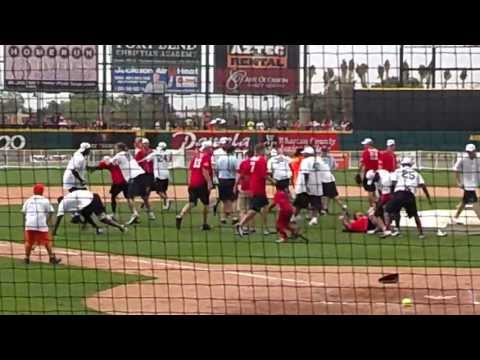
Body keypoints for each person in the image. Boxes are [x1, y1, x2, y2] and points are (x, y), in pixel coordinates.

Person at [383, 157, 439, 239]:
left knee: (388, 210)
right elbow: (423, 186)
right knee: (415, 215)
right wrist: (428, 198)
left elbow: (393, 182)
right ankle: (421, 233)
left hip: (399, 193)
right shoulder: (416, 173)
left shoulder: (398, 171)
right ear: (410, 165)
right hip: (410, 195)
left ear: (402, 164)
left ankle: (389, 230)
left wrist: (392, 195)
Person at [236, 144, 275, 237]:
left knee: (264, 206)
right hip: (259, 187)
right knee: (254, 209)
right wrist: (274, 181)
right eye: (265, 150)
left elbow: (245, 173)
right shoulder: (262, 160)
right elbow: (264, 175)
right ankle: (240, 225)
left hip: (253, 185)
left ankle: (265, 228)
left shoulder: (250, 160)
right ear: (261, 150)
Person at [111, 143, 155, 225]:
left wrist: (106, 159)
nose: (115, 149)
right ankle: (151, 214)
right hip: (142, 174)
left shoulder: (118, 155)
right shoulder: (129, 154)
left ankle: (135, 214)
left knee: (129, 196)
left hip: (133, 176)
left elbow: (110, 163)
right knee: (144, 196)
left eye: (116, 148)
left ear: (119, 148)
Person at [53, 190, 127, 236]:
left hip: (89, 201)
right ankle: (117, 225)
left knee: (90, 215)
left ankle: (100, 228)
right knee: (99, 217)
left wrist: (54, 231)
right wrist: (84, 223)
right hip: (95, 196)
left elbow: (59, 218)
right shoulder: (69, 197)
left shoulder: (62, 204)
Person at [176, 141, 214, 231]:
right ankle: (205, 224)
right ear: (206, 148)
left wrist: (190, 181)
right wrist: (209, 182)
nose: (212, 150)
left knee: (192, 202)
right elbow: (204, 170)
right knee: (206, 204)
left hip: (193, 183)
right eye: (210, 148)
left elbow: (190, 170)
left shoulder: (196, 156)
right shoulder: (206, 157)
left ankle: (180, 215)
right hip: (202, 183)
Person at [22, 183, 61, 265]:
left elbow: (24, 212)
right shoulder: (45, 200)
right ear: (42, 191)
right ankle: (51, 258)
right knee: (47, 241)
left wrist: (27, 222)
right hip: (41, 223)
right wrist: (47, 221)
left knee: (28, 242)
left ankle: (26, 258)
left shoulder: (28, 200)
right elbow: (51, 212)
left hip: (29, 223)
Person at [293, 146, 330, 226]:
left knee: (299, 203)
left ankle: (293, 217)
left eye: (304, 153)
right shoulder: (319, 160)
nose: (303, 155)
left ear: (307, 154)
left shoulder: (305, 161)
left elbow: (306, 173)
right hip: (317, 184)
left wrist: (306, 185)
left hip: (305, 185)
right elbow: (325, 172)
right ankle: (314, 218)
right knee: (315, 202)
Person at [140, 142, 173, 211]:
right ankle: (165, 204)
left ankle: (167, 200)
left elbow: (146, 159)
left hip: (158, 174)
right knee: (163, 190)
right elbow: (170, 160)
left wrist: (137, 161)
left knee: (158, 191)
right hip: (166, 173)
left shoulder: (155, 153)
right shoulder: (168, 153)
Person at [453, 144, 480, 224]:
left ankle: (455, 217)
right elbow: (455, 169)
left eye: (471, 151)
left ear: (475, 151)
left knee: (464, 201)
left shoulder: (478, 158)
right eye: (468, 152)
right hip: (468, 185)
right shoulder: (462, 158)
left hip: (476, 183)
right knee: (475, 204)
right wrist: (458, 182)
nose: (470, 153)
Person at [319, 145, 347, 213]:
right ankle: (325, 208)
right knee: (326, 195)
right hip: (329, 177)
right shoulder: (331, 157)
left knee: (330, 195)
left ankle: (342, 206)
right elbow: (334, 167)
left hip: (324, 179)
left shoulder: (319, 158)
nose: (323, 152)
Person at [216, 144, 239, 224]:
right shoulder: (234, 159)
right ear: (232, 151)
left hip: (221, 180)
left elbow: (217, 170)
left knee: (223, 200)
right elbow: (237, 170)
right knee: (234, 200)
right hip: (231, 180)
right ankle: (234, 217)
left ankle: (223, 218)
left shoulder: (220, 158)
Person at [235, 149, 256, 234]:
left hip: (244, 187)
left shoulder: (243, 163)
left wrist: (235, 185)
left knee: (242, 209)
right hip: (254, 187)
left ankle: (242, 227)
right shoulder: (256, 163)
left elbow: (240, 175)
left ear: (246, 155)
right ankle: (251, 228)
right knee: (251, 209)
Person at [358, 138, 379, 207]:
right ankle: (376, 203)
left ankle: (372, 206)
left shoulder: (366, 152)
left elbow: (362, 163)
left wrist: (359, 171)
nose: (364, 146)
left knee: (369, 190)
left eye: (365, 144)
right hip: (376, 172)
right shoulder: (377, 151)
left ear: (368, 144)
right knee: (374, 189)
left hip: (368, 173)